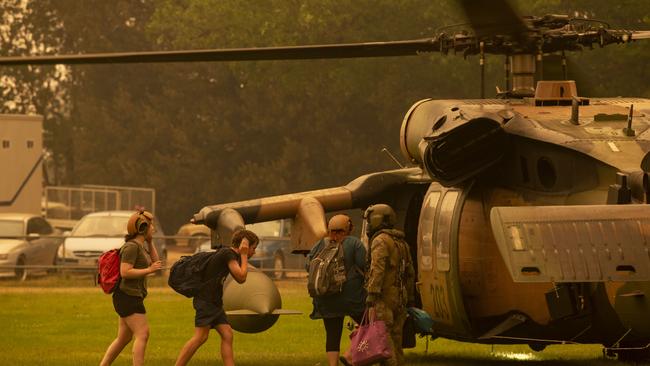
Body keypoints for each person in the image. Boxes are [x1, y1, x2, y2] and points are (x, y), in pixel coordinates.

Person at [175, 229, 259, 366]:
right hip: (206, 301)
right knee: (200, 337)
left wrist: (242, 256)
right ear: (244, 245)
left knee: (227, 334)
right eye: (253, 248)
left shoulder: (229, 254)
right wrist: (244, 255)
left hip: (215, 302)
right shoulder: (228, 254)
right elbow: (241, 277)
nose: (254, 252)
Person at [100, 210, 162, 366]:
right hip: (128, 296)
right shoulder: (131, 247)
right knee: (143, 333)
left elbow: (156, 264)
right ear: (143, 228)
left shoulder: (141, 246)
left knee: (124, 338)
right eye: (151, 225)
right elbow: (125, 272)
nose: (153, 227)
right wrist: (149, 270)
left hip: (130, 296)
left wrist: (150, 241)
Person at [307, 214, 367, 366]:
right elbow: (364, 265)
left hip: (326, 298)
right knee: (368, 325)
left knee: (332, 334)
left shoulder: (320, 244)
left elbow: (308, 266)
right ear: (348, 228)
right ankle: (350, 354)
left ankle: (333, 365)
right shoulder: (354, 243)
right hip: (351, 298)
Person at [362, 204, 415, 366]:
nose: (369, 225)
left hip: (384, 297)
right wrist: (410, 297)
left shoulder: (380, 241)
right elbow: (410, 273)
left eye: (370, 221)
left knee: (384, 340)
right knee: (396, 339)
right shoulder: (401, 242)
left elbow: (377, 268)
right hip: (401, 297)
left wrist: (372, 293)